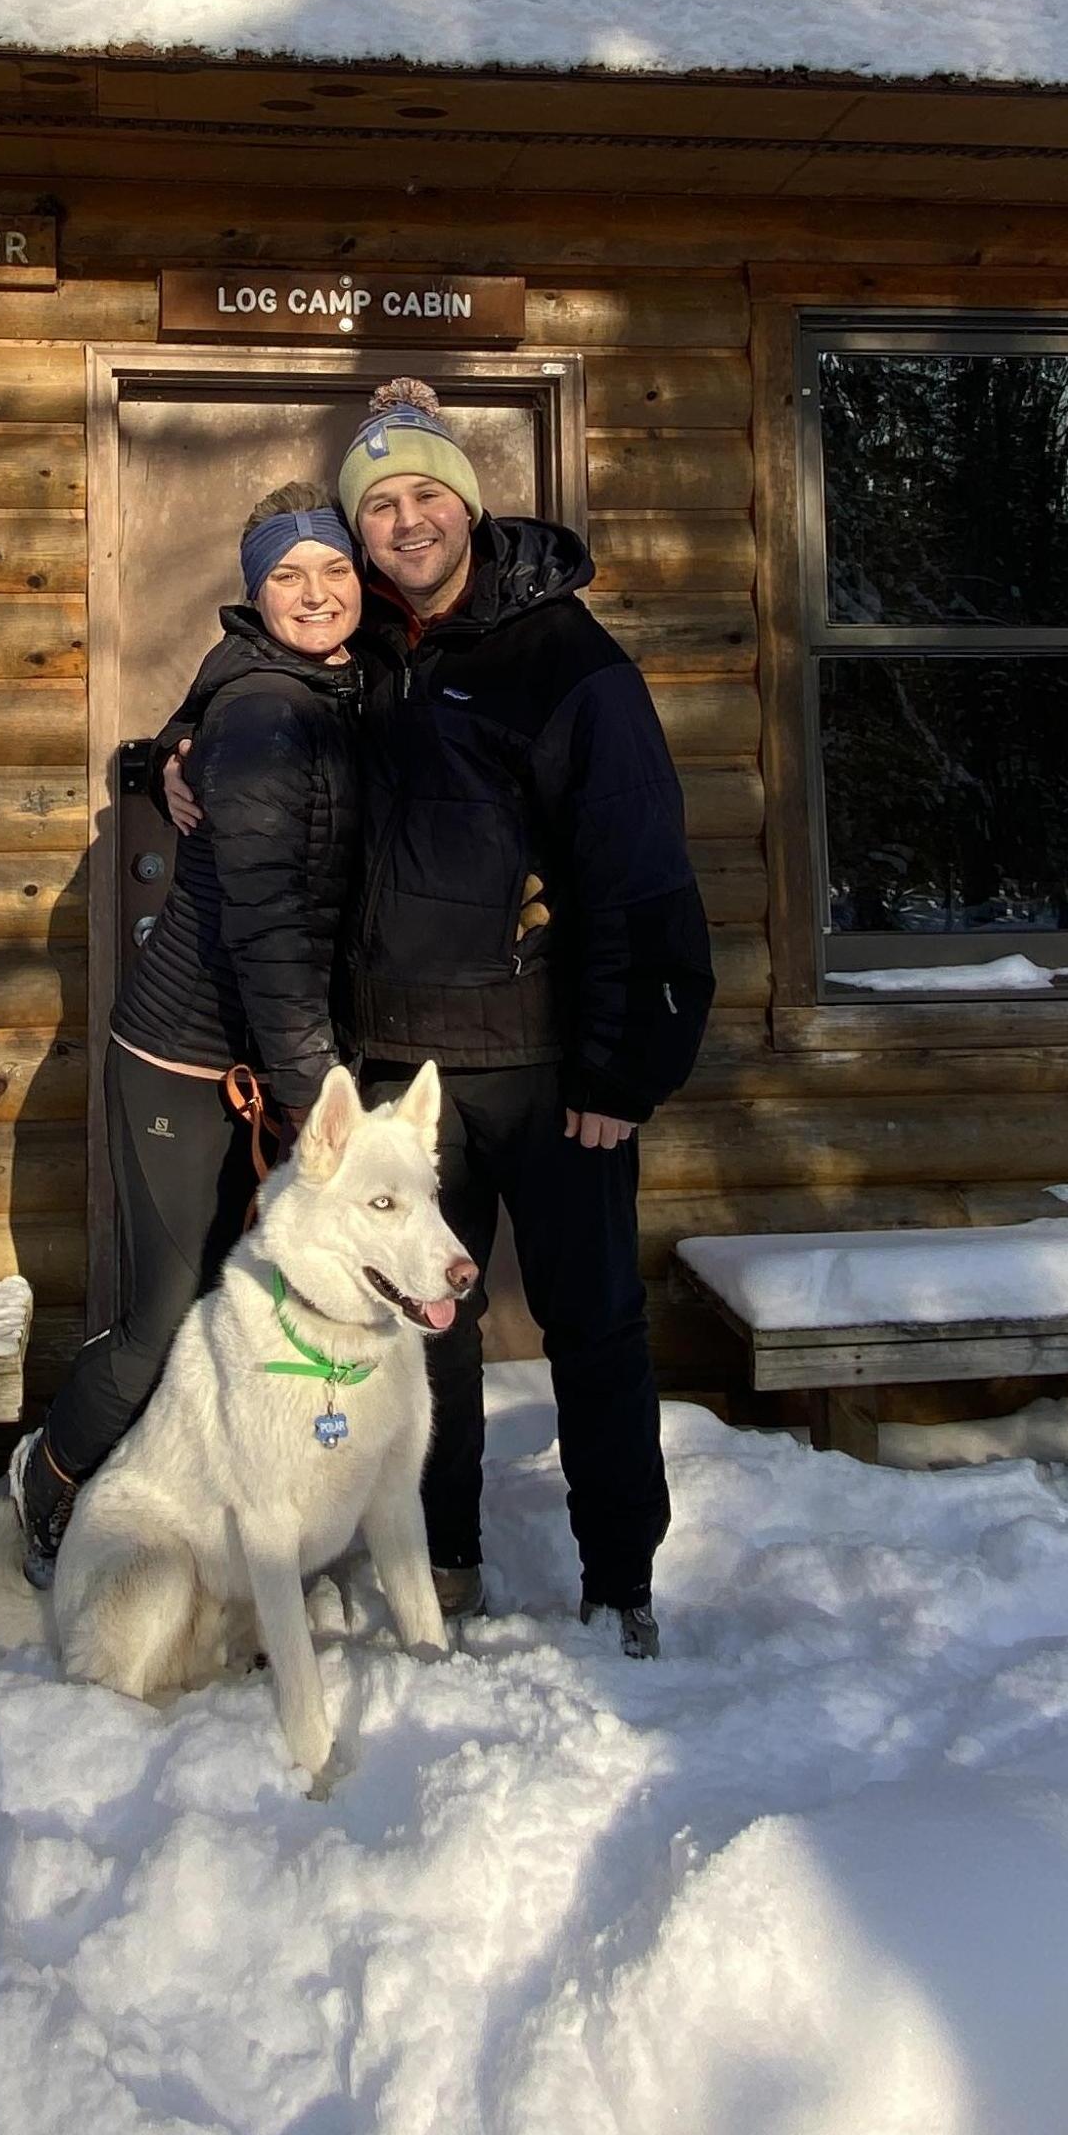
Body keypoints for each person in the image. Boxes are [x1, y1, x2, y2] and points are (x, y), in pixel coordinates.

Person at [331, 380, 711, 1657]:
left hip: (552, 1072)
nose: (405, 520)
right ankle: (441, 1559)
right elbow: (242, 708)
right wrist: (170, 757)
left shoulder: (569, 660)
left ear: (471, 508)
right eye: (379, 503)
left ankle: (621, 1580)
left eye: (427, 493)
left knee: (592, 1324)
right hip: (401, 1068)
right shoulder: (352, 652)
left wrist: (620, 1065)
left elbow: (637, 871)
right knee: (420, 1332)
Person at [10, 481, 372, 1588]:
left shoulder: (343, 687)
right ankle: (52, 1476)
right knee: (167, 1321)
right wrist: (316, 1090)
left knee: (256, 1318)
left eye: (334, 570)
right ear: (255, 598)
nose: (315, 594)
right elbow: (264, 924)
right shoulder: (266, 710)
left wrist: (167, 748)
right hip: (185, 1056)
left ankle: (231, 1508)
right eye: (287, 577)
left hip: (266, 1053)